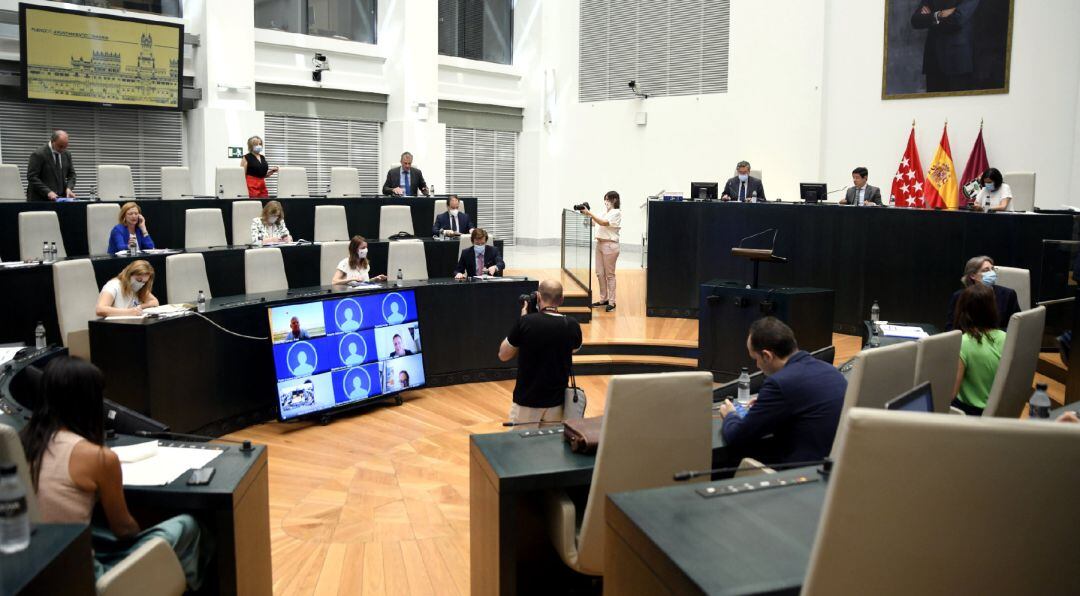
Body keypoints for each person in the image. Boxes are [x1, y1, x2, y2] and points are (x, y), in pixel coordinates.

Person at [19, 357, 206, 589]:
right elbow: (124, 529)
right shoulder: (98, 457)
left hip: (32, 573)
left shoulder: (20, 444)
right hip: (85, 576)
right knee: (187, 526)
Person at [718, 317, 847, 465]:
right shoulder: (830, 370)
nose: (757, 365)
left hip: (802, 474)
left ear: (767, 356)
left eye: (755, 358)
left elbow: (737, 437)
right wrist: (767, 405)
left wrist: (730, 415)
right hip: (835, 466)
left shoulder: (779, 383)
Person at [498, 280, 584, 424]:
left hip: (526, 402)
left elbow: (503, 355)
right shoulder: (572, 325)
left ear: (538, 297)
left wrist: (523, 322)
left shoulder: (526, 322)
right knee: (551, 446)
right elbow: (574, 349)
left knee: (522, 445)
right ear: (561, 300)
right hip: (558, 403)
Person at [951, 284, 1005, 416]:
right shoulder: (1007, 338)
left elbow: (951, 394)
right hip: (999, 413)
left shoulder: (964, 342)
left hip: (969, 414)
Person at [910, 1, 980, 93]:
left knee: (958, 105)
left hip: (957, 62)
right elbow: (915, 20)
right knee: (933, 105)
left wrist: (931, 19)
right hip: (933, 60)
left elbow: (958, 19)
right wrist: (938, 15)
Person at [945, 255, 1020, 331]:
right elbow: (951, 327)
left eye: (992, 269)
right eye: (986, 270)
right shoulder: (959, 296)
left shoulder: (1008, 294)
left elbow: (1016, 326)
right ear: (972, 276)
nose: (992, 273)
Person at [582, 191, 622, 311]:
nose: (606, 202)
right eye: (605, 199)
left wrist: (590, 213)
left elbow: (603, 223)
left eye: (608, 199)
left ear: (614, 200)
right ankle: (603, 299)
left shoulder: (616, 213)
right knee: (600, 273)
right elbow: (593, 223)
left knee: (609, 275)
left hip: (610, 245)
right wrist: (585, 214)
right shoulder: (604, 212)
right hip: (599, 244)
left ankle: (612, 301)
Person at [26, 130, 76, 201]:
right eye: (60, 146)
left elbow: (72, 175)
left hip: (60, 199)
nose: (63, 149)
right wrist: (48, 192)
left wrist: (69, 188)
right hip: (40, 199)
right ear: (53, 141)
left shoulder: (67, 154)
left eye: (65, 146)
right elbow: (32, 177)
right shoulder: (39, 154)